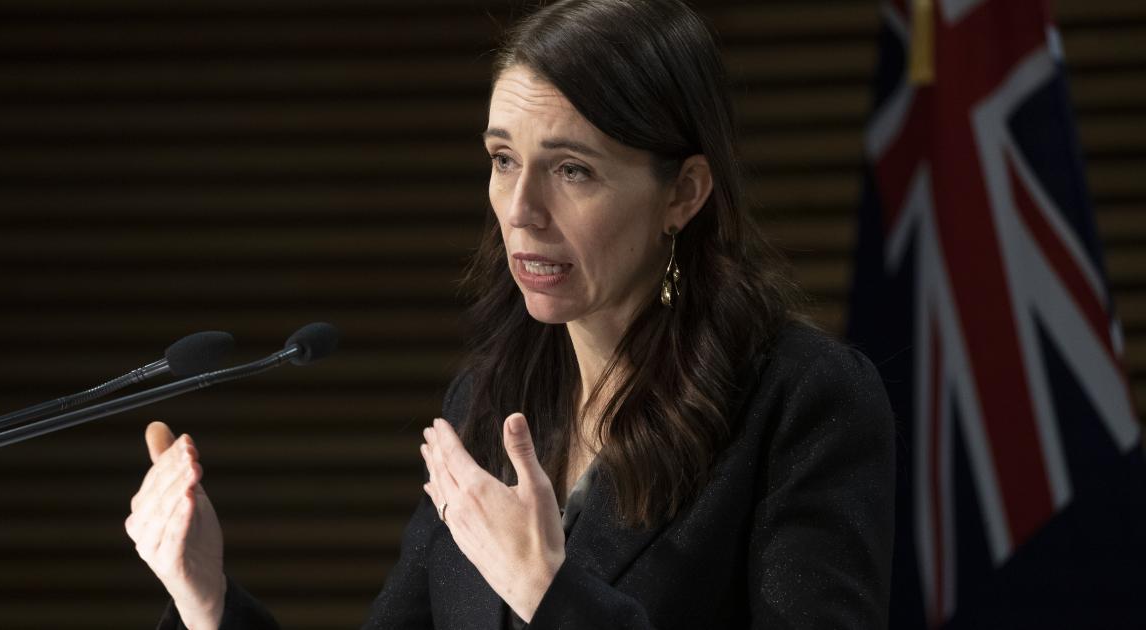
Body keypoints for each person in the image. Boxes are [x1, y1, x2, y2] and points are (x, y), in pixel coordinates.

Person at [124, 0, 896, 628]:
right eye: (503, 160)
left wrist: (550, 595)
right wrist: (209, 601)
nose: (521, 209)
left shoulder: (800, 401)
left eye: (572, 169)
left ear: (683, 193)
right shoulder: (489, 401)